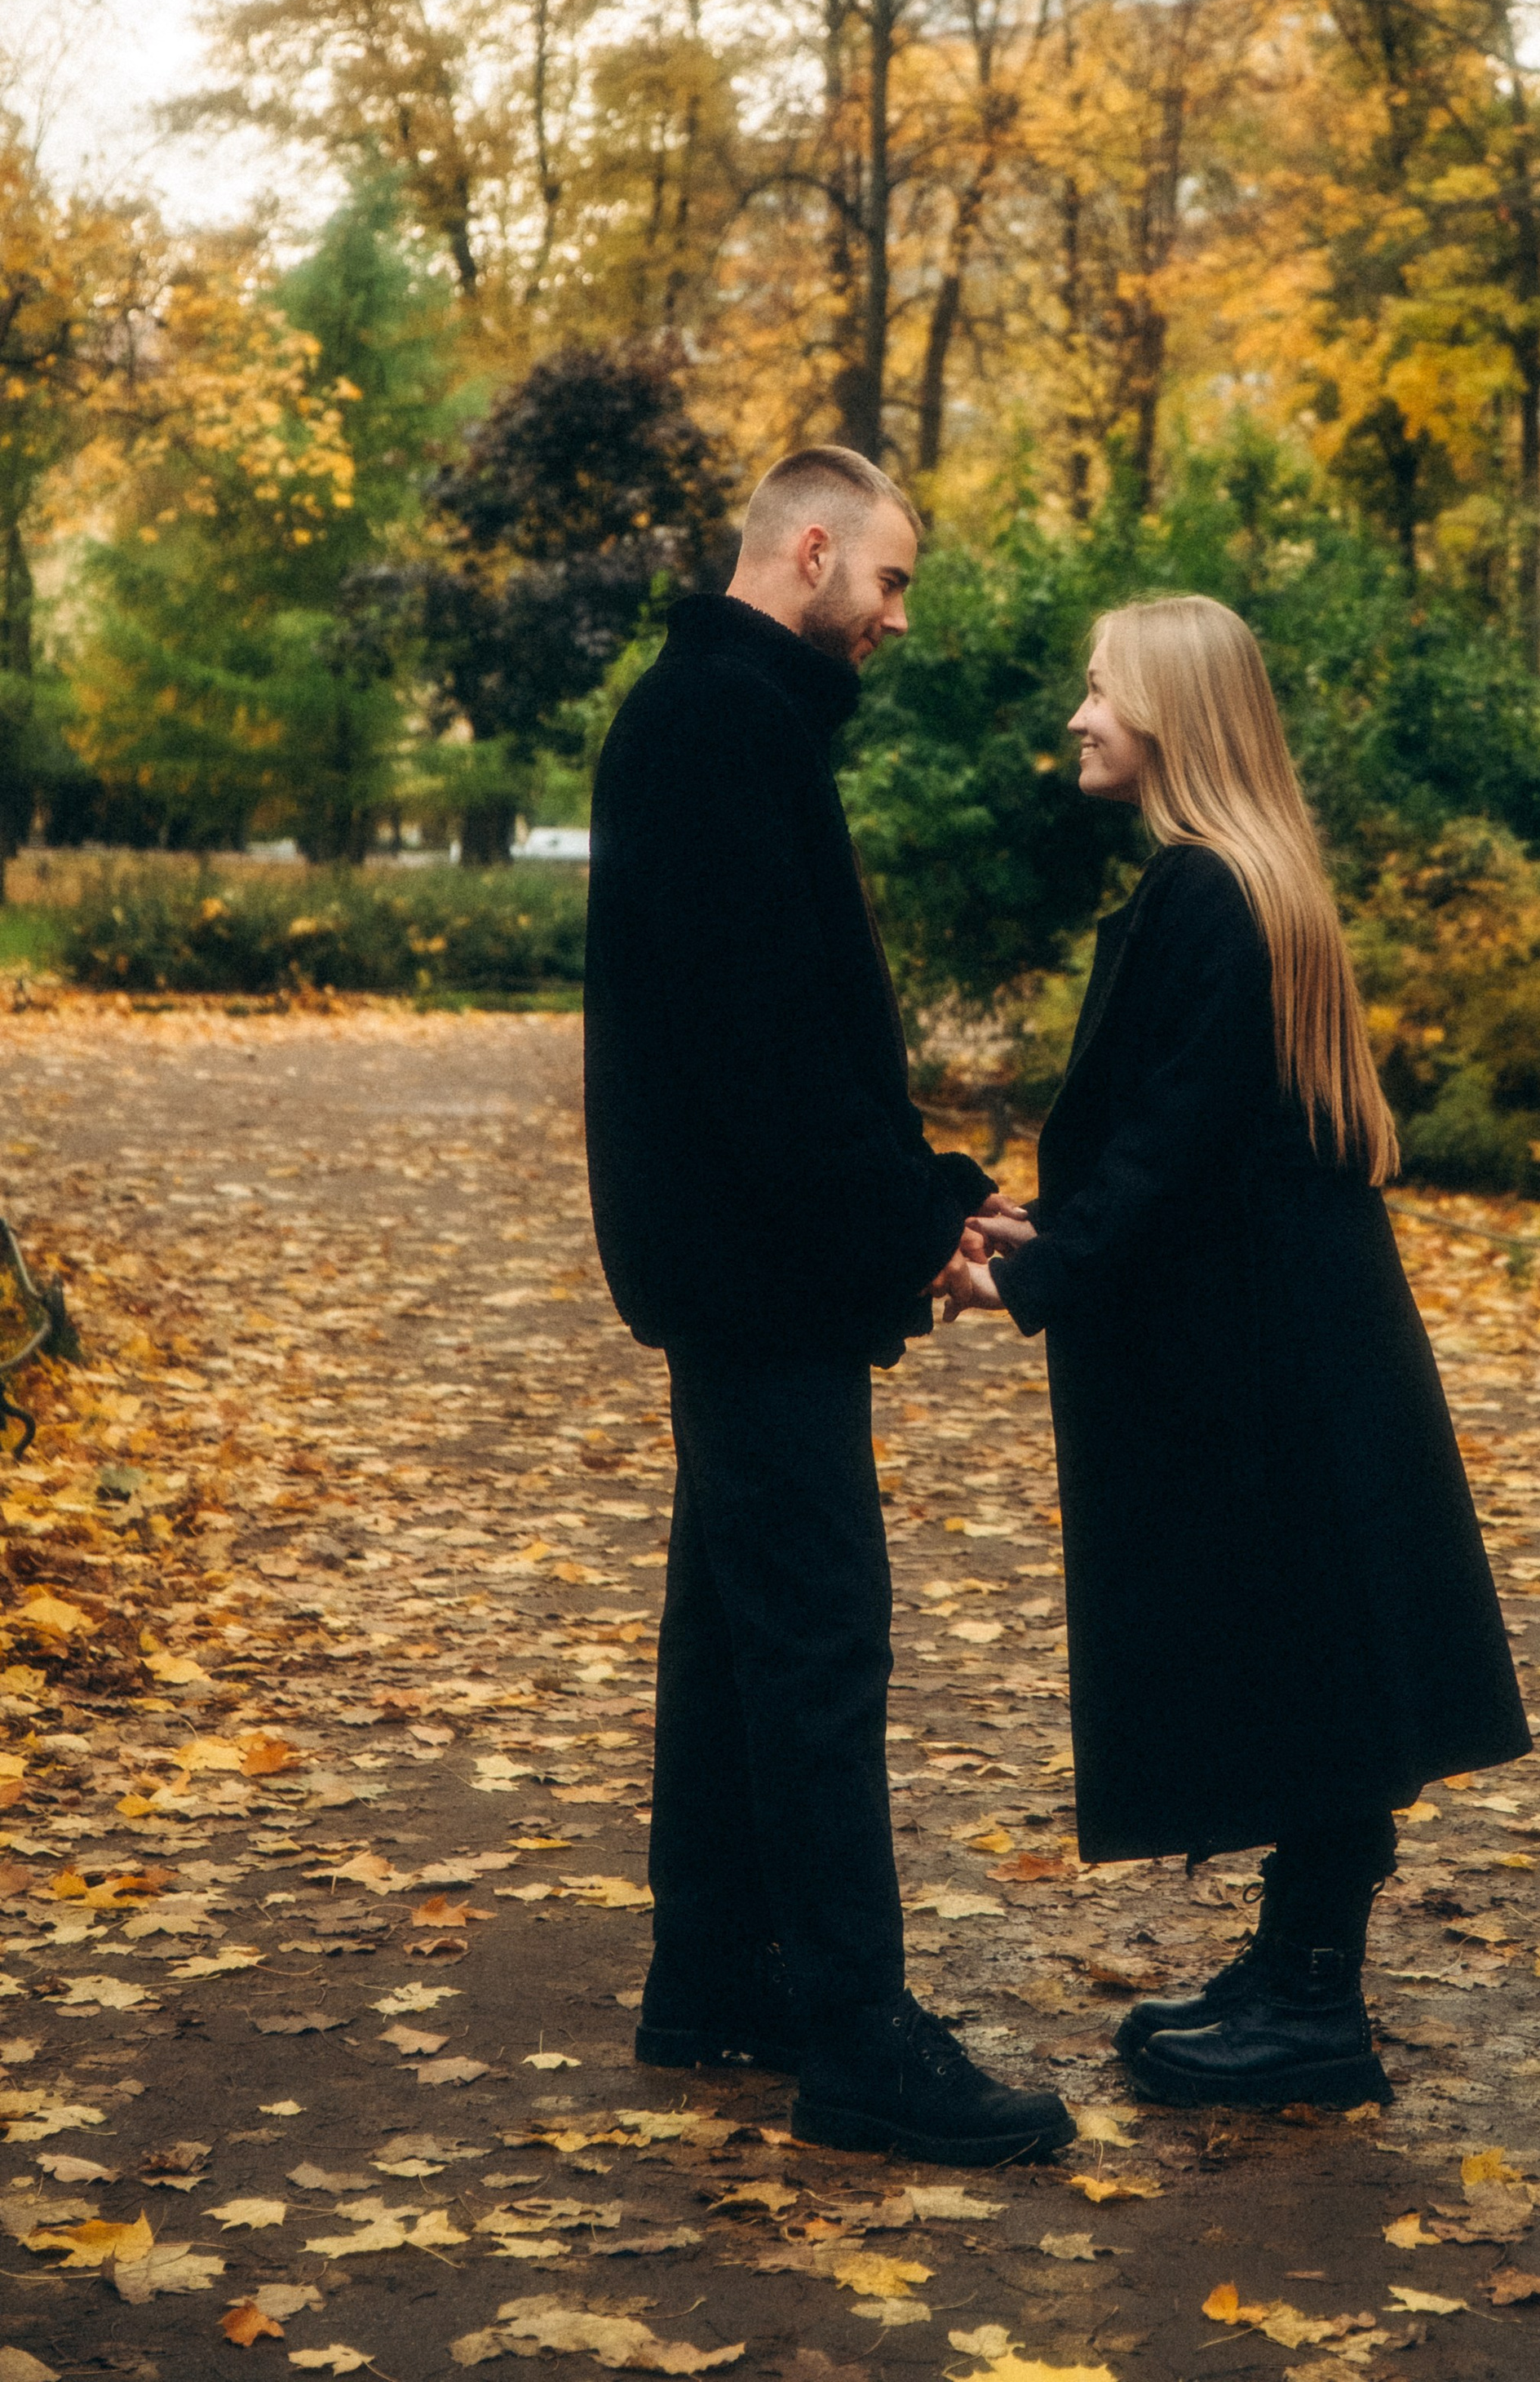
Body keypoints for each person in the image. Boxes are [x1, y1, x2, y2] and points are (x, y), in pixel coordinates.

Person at [944, 594, 1530, 2109]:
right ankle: (1293, 1967)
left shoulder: (1211, 893)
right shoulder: (1250, 885)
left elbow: (1175, 1143)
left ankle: (1317, 2011)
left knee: (1305, 1658)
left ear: (1172, 718)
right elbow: (1181, 1137)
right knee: (1317, 1649)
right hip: (1293, 1338)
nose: (1078, 717)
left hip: (1262, 1357)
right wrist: (1049, 1240)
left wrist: (1044, 1273)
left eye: (1099, 692)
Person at [584, 443, 1073, 2168]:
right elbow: (764, 1056)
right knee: (814, 1639)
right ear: (809, 552)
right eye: (889, 580)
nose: (894, 617)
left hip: (740, 1257)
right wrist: (910, 1220)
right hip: (754, 1264)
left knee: (734, 1625)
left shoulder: (719, 715)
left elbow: (784, 1034)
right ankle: (855, 2032)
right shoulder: (723, 727)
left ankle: (714, 1976)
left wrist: (920, 1193)